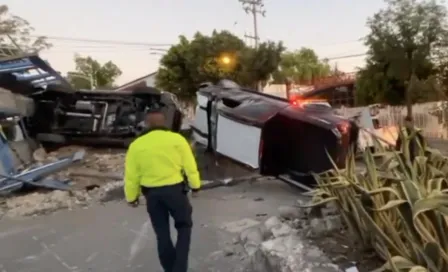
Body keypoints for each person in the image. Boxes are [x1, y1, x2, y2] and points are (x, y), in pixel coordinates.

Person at [124, 109, 201, 272]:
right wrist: (195, 186)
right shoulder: (177, 140)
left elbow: (131, 175)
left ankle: (169, 268)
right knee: (184, 227)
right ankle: (179, 268)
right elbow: (190, 166)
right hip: (175, 192)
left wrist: (132, 197)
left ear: (147, 123)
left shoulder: (136, 145)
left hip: (152, 195)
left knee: (162, 233)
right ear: (164, 122)